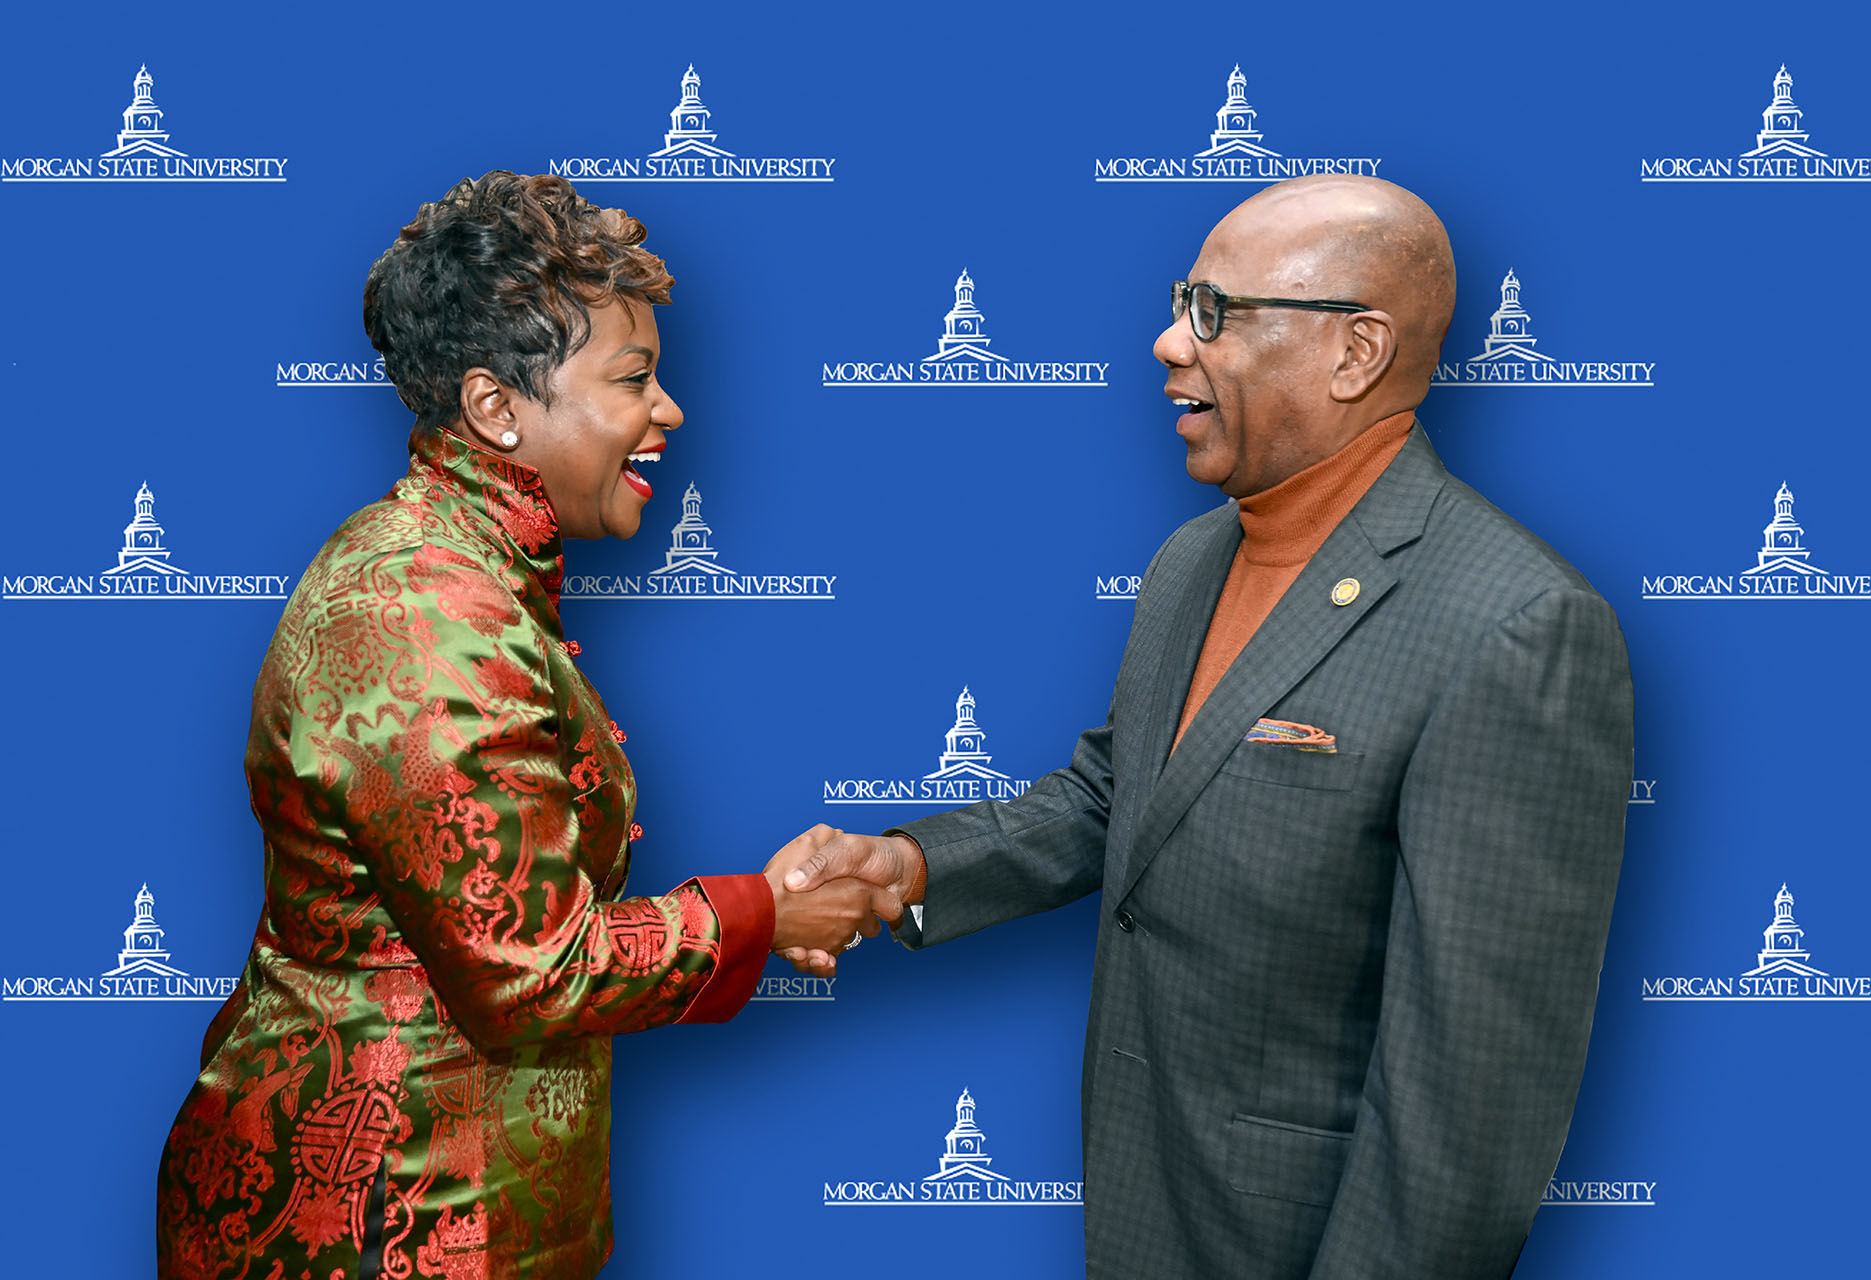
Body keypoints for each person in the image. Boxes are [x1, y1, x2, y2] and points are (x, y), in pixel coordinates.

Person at [783, 175, 1634, 1278]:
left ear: (1356, 351)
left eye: (1214, 311)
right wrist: (904, 865)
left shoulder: (1517, 625)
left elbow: (1468, 1113)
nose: (1166, 342)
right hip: (1146, 1217)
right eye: (1182, 301)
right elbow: (1114, 795)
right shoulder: (1193, 559)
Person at [154, 172, 895, 1280]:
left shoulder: (468, 573)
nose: (668, 409)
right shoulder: (421, 610)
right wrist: (762, 915)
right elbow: (529, 972)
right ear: (497, 407)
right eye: (633, 378)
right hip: (375, 1223)